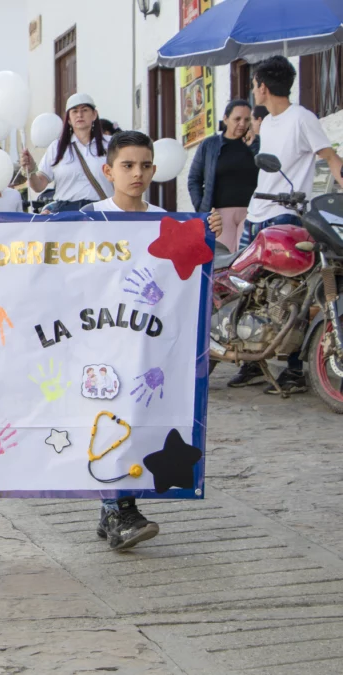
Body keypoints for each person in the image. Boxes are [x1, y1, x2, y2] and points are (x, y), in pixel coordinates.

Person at [80, 130, 223, 550]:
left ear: (154, 170)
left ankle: (114, 511)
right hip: (99, 342)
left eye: (144, 165)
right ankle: (119, 511)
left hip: (148, 347)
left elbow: (185, 283)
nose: (136, 173)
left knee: (136, 419)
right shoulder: (88, 219)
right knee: (107, 417)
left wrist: (206, 236)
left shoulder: (168, 224)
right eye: (127, 165)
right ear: (108, 171)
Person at [232, 56, 343, 393]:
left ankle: (294, 368)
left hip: (285, 215)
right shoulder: (267, 122)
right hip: (256, 213)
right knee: (244, 289)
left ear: (262, 87)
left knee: (290, 297)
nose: (253, 91)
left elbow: (331, 157)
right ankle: (251, 360)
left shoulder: (301, 118)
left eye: (253, 85)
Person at [187, 100, 259, 252]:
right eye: (237, 119)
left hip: (251, 212)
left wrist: (254, 146)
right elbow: (194, 179)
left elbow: (267, 172)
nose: (242, 124)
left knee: (246, 259)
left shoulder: (256, 143)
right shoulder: (210, 145)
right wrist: (201, 208)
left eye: (246, 120)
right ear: (226, 119)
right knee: (220, 261)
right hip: (220, 214)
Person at [21, 93, 112, 212]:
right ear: (68, 118)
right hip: (66, 212)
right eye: (74, 111)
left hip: (101, 211)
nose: (79, 115)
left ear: (94, 114)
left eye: (84, 110)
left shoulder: (111, 144)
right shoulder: (57, 147)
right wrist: (31, 170)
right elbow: (39, 186)